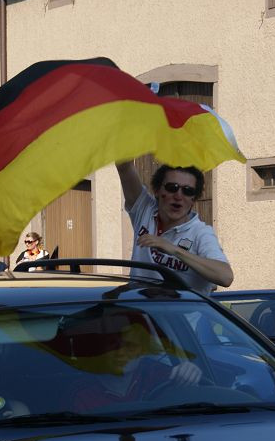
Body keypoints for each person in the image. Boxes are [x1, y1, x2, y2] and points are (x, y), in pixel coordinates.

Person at [115, 161, 233, 295]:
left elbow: (226, 277)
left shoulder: (201, 233)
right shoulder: (144, 209)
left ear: (193, 199)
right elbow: (124, 166)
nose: (178, 196)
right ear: (158, 191)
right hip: (141, 311)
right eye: (172, 187)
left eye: (187, 191)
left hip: (181, 314)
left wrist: (174, 249)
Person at [70, 318, 202, 412]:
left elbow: (191, 401)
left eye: (129, 345)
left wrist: (189, 374)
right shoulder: (81, 393)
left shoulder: (159, 374)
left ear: (143, 351)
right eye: (112, 346)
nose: (121, 353)